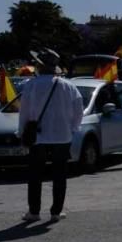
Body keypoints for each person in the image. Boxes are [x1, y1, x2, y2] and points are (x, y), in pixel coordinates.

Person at [18, 49, 85, 222]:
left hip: (37, 137)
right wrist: (72, 129)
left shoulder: (31, 85)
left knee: (35, 175)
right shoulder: (68, 85)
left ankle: (34, 212)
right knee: (59, 175)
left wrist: (22, 133)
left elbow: (24, 112)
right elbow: (79, 110)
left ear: (40, 66)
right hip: (62, 136)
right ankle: (56, 212)